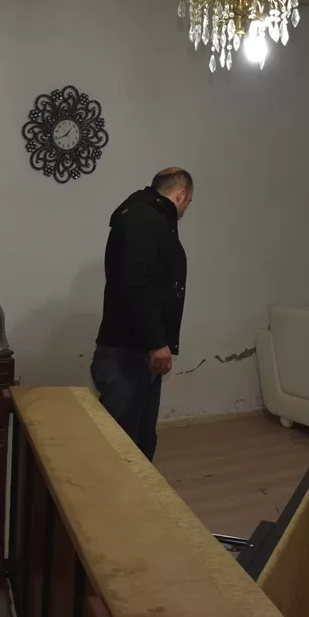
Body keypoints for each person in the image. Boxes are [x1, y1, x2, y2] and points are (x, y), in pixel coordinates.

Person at [91, 168, 191, 461]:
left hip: (136, 347)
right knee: (121, 444)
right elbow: (135, 284)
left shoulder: (144, 216)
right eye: (188, 202)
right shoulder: (145, 219)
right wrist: (156, 342)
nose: (186, 208)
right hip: (130, 350)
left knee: (140, 438)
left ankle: (138, 492)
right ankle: (113, 492)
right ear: (180, 194)